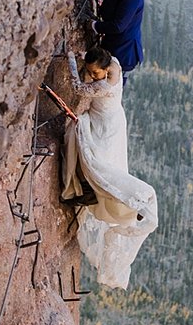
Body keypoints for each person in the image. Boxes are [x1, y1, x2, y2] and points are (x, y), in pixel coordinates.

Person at [60, 45, 157, 289]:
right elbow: (98, 63)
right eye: (91, 72)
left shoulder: (102, 86)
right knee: (105, 165)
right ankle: (96, 192)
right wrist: (85, 57)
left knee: (100, 165)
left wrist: (73, 60)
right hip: (113, 121)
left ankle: (119, 200)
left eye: (95, 73)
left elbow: (76, 87)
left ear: (104, 70)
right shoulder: (113, 62)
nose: (93, 76)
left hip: (104, 127)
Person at [94, 0, 143, 86]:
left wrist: (95, 26)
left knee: (113, 92)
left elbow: (118, 26)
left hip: (124, 52)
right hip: (114, 47)